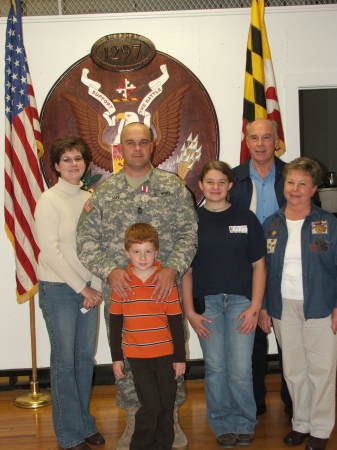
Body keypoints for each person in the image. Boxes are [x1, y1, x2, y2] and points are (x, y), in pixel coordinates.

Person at [76, 122, 197, 450]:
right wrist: (110, 270)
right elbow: (85, 239)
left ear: (153, 146)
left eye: (144, 142)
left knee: (170, 354)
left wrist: (172, 268)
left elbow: (190, 233)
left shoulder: (173, 188)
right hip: (124, 295)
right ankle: (136, 420)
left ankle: (169, 420)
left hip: (163, 292)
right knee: (128, 361)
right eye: (131, 143)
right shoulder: (104, 191)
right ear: (121, 148)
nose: (138, 148)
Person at [182, 160, 266, 448]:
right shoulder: (192, 221)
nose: (215, 187)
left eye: (221, 182)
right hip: (208, 306)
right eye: (210, 182)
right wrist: (190, 312)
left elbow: (259, 266)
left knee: (241, 369)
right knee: (216, 367)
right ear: (201, 186)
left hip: (241, 303)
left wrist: (255, 306)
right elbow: (187, 271)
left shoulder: (247, 219)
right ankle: (221, 423)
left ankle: (244, 422)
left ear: (230, 185)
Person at [260, 157, 337, 450]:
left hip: (320, 305)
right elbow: (263, 270)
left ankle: (320, 428)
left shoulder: (328, 223)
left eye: (302, 183)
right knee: (293, 370)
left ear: (314, 188)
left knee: (321, 370)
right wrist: (266, 306)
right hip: (283, 307)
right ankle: (301, 424)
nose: (295, 189)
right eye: (290, 182)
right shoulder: (271, 223)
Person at [35, 137, 104, 450]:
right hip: (59, 290)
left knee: (83, 361)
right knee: (64, 363)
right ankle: (68, 434)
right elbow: (50, 251)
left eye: (78, 159)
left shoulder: (89, 198)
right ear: (56, 166)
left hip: (88, 292)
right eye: (67, 160)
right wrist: (82, 287)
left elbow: (95, 246)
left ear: (86, 163)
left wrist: (95, 288)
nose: (74, 164)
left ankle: (84, 424)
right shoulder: (48, 200)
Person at [230, 118, 292, 416]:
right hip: (247, 269)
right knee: (252, 339)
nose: (260, 144)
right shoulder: (234, 178)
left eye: (266, 137)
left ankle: (293, 404)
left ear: (276, 139)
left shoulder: (293, 175)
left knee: (288, 340)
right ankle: (255, 404)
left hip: (286, 268)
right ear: (246, 139)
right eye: (254, 137)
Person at [110, 223, 186, 450]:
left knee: (166, 404)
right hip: (138, 357)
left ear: (157, 251)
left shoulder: (165, 282)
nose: (142, 258)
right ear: (127, 253)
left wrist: (179, 358)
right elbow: (115, 323)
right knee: (151, 405)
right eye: (136, 252)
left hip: (166, 355)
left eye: (148, 252)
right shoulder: (122, 284)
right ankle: (140, 445)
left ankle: (163, 444)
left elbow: (176, 322)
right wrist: (117, 358)